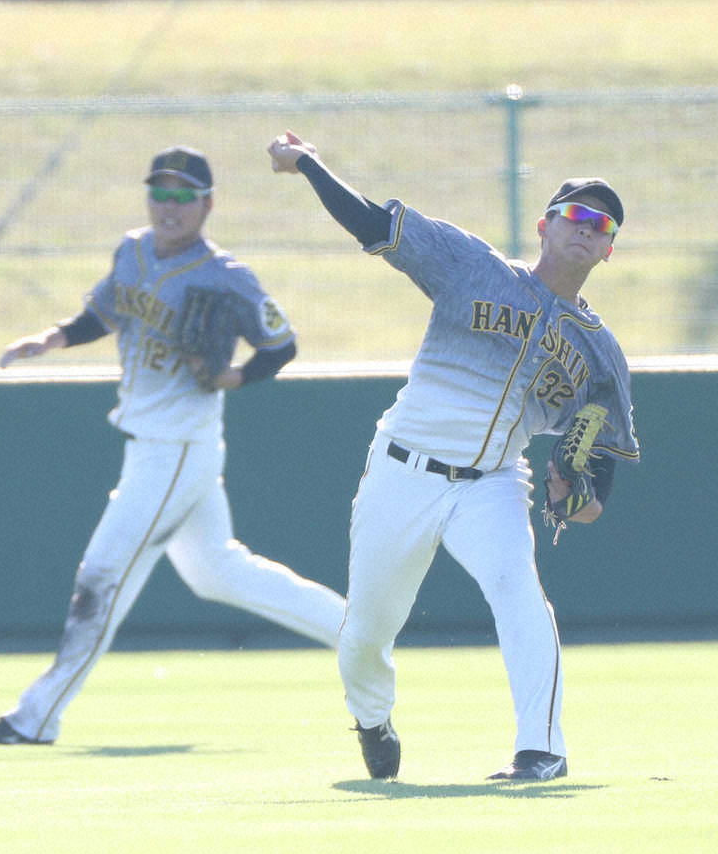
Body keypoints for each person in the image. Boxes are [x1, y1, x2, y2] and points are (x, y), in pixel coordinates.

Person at [268, 130, 640, 782]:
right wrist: (308, 165)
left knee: (519, 591)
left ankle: (542, 749)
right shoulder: (472, 265)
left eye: (602, 225)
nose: (587, 227)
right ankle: (372, 717)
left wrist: (572, 499)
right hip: (403, 467)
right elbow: (375, 225)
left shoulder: (600, 356)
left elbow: (595, 489)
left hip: (491, 483)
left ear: (609, 249)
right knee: (365, 635)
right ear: (545, 226)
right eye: (576, 214)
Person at [0, 146, 345, 746]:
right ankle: (356, 630)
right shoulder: (133, 250)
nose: (169, 206)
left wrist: (235, 376)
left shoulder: (227, 275)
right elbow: (104, 312)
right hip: (150, 446)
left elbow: (281, 345)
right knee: (217, 572)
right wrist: (52, 338)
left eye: (183, 196)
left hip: (178, 447)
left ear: (207, 204)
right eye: (160, 193)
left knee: (101, 576)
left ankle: (35, 717)